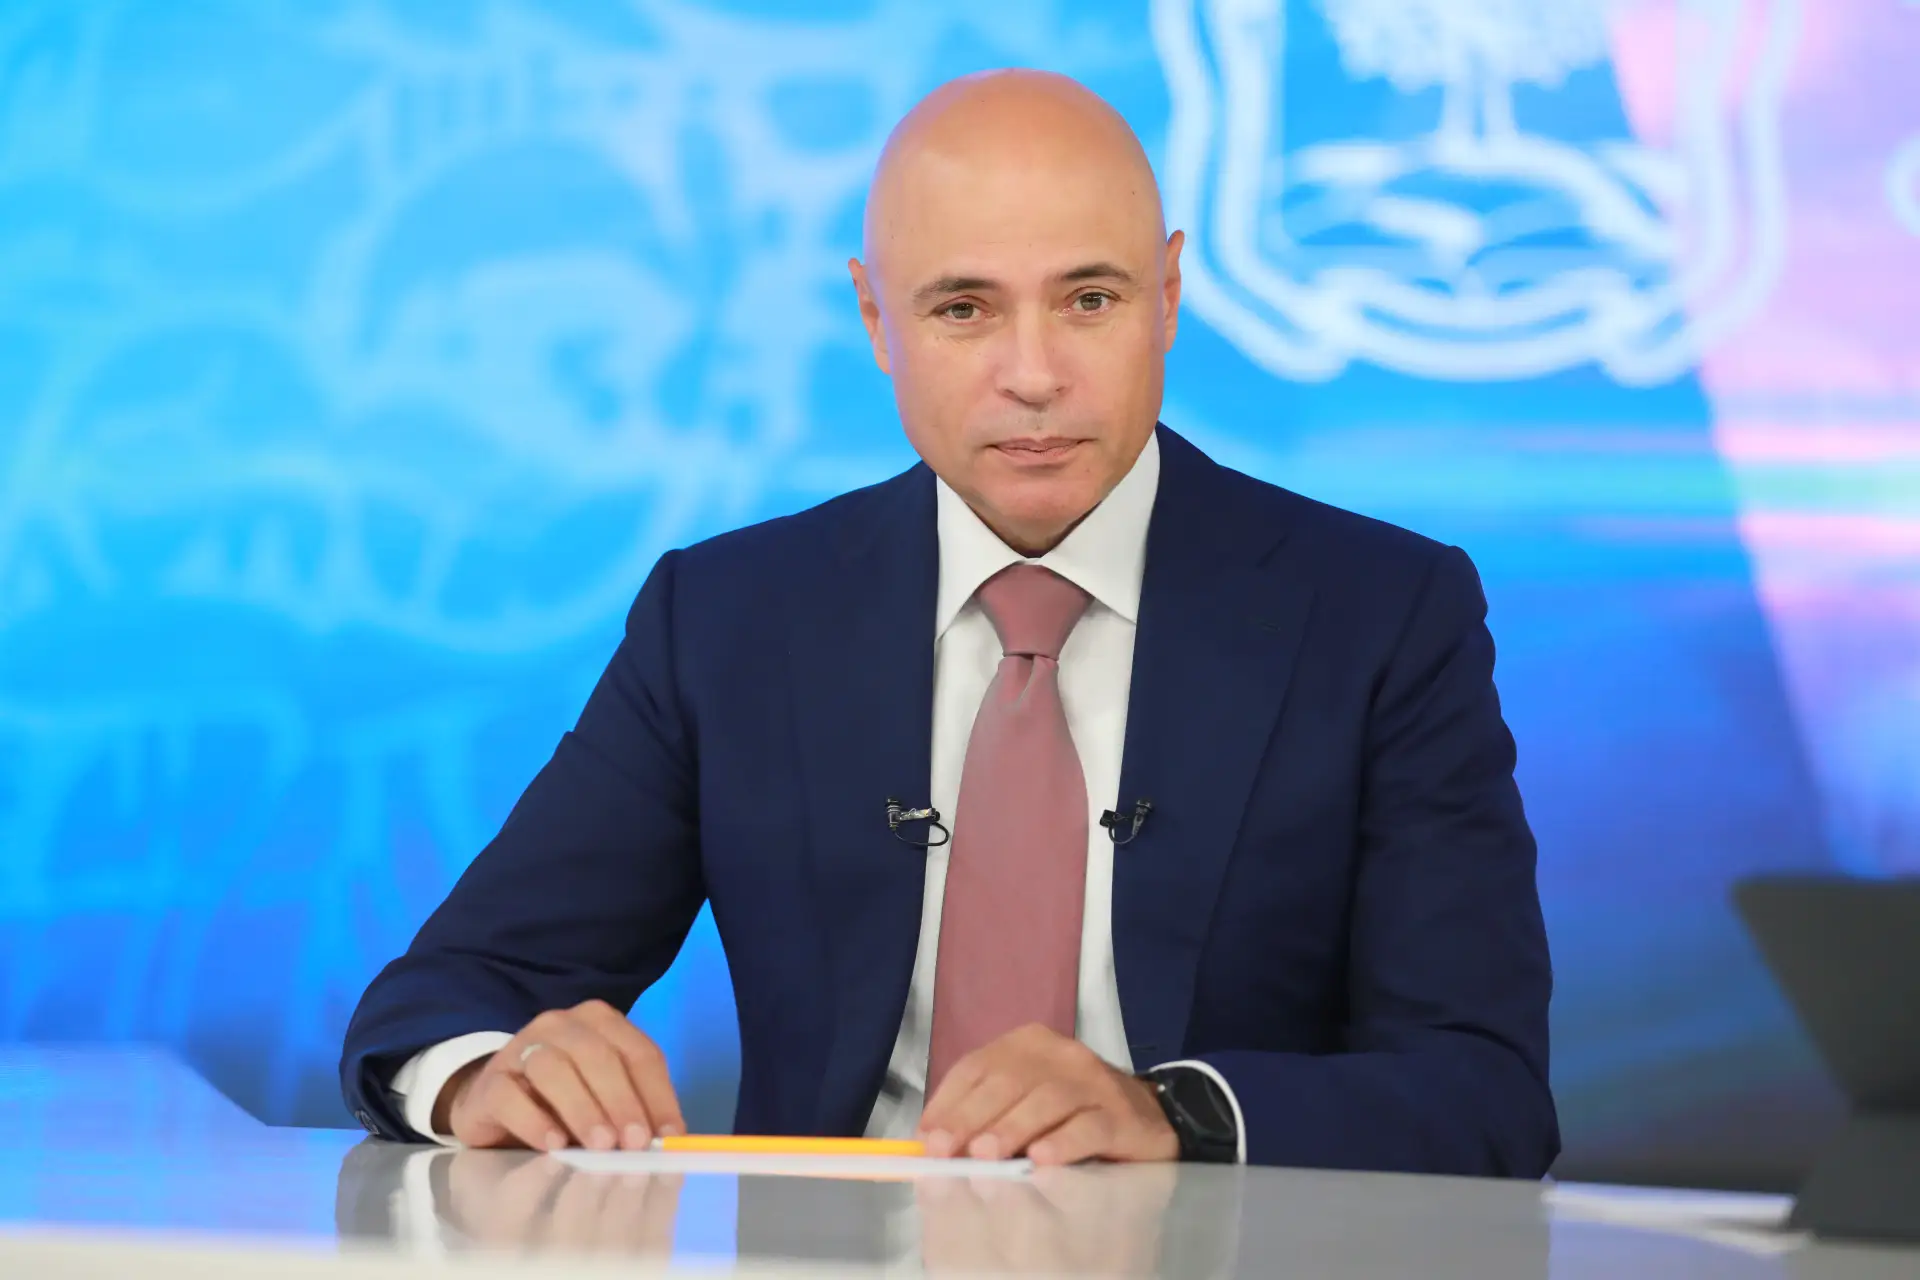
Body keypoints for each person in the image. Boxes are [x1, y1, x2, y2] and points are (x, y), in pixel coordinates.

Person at [340, 69, 1558, 1174]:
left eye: (1089, 298)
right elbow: (443, 995)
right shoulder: (728, 618)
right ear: (876, 322)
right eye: (965, 310)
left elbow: (1483, 1091)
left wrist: (1171, 1112)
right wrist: (488, 1075)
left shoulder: (1382, 614)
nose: (1033, 373)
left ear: (1171, 296)